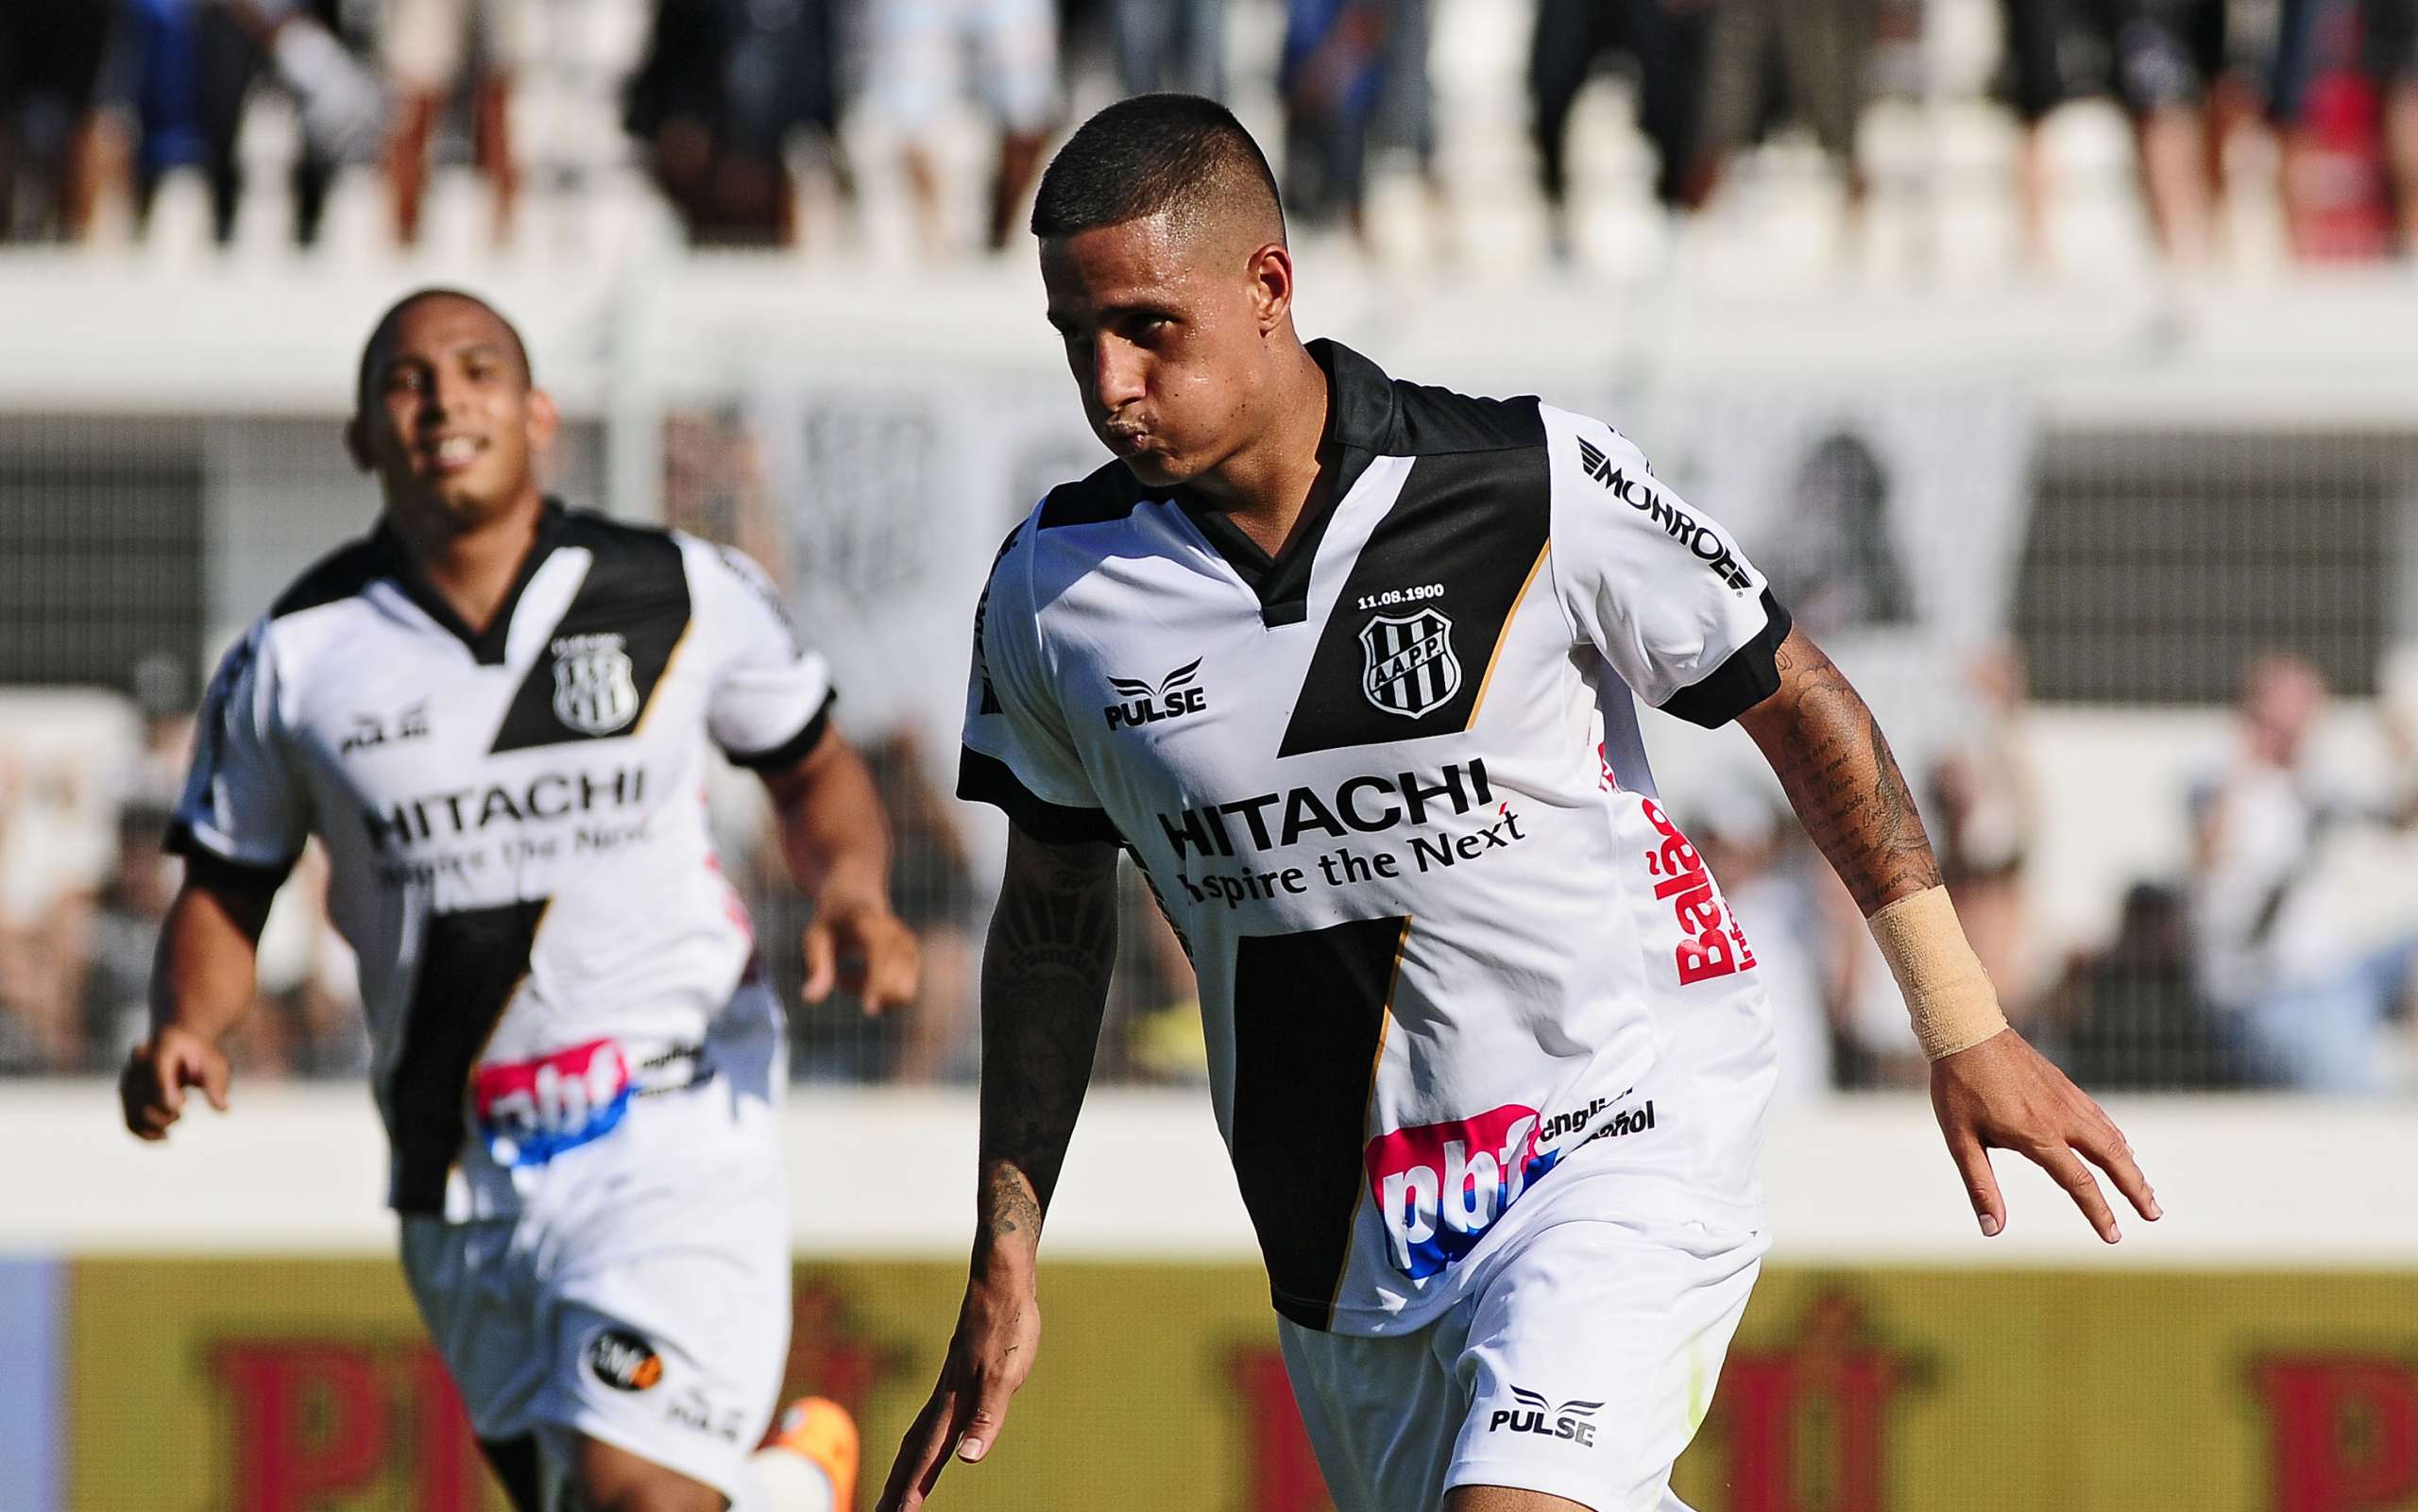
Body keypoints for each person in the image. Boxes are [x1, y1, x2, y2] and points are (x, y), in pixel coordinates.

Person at [878, 93, 2159, 1512]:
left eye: (1145, 327)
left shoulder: (1521, 483)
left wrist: (1960, 1017)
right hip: (1345, 1237)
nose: (1108, 382)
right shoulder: (1054, 592)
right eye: (1075, 336)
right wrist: (1007, 1249)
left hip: (1613, 1127)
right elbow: (1051, 924)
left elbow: (1800, 699)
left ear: (1268, 287)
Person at [120, 288, 918, 1512]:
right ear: (361, 436)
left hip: (669, 1121)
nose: (444, 397)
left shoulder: (675, 589)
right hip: (454, 1164)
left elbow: (812, 768)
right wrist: (188, 1023)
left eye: (477, 368)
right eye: (407, 379)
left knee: (633, 1491)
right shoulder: (294, 657)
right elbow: (228, 884)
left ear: (539, 413)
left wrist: (854, 890)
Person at [2188, 653, 2418, 1092]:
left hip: (2337, 976)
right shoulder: (2215, 775)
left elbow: (2399, 820)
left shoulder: (2317, 781)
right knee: (2357, 1095)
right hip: (2265, 993)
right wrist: (2249, 763)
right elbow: (2205, 854)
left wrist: (2405, 756)